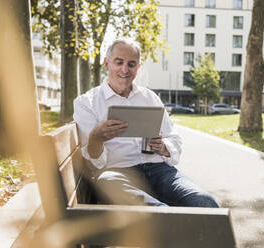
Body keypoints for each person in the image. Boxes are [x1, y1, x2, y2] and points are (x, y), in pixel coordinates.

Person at [73, 39, 218, 207]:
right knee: (112, 184)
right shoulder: (87, 103)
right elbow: (93, 164)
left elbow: (174, 138)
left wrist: (164, 146)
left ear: (138, 68)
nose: (125, 70)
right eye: (119, 62)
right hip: (117, 173)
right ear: (106, 64)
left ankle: (168, 219)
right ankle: (168, 218)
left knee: (204, 201)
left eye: (131, 64)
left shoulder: (150, 98)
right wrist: (95, 138)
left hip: (159, 171)